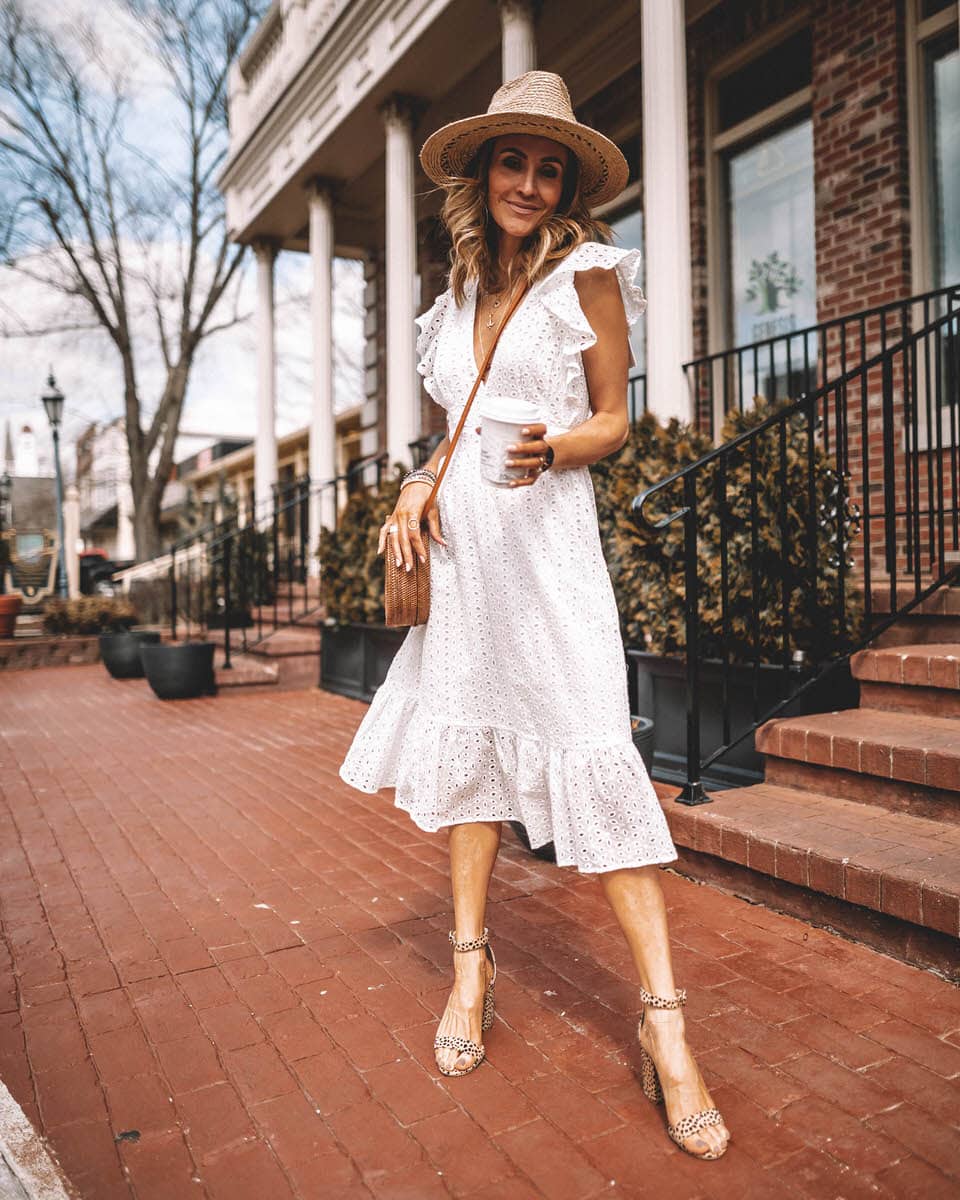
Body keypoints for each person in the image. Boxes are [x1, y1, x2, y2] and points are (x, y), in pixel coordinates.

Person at [339, 70, 730, 1161]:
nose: (528, 180)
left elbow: (615, 416)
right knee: (470, 768)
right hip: (467, 560)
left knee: (593, 754)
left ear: (565, 183)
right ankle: (472, 974)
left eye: (547, 165)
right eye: (512, 160)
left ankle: (668, 1031)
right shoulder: (456, 297)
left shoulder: (589, 273)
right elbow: (451, 436)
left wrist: (557, 446)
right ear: (481, 172)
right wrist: (419, 485)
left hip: (549, 555)